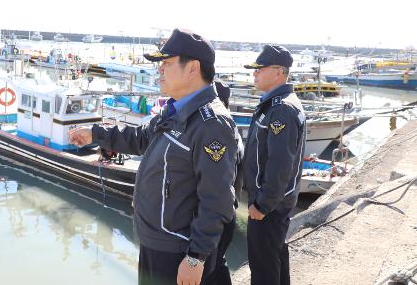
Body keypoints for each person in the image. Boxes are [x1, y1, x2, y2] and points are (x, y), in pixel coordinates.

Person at [69, 29, 239, 285]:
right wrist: (95, 134)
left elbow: (217, 201)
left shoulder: (211, 123)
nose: (159, 70)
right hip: (156, 242)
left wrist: (196, 258)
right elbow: (139, 138)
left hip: (177, 250)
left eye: (167, 63)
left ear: (192, 68)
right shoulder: (175, 110)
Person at [241, 45, 306, 285]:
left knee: (263, 268)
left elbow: (281, 163)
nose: (254, 74)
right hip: (273, 203)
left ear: (278, 72)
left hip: (269, 207)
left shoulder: (282, 109)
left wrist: (262, 204)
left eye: (260, 69)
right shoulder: (277, 104)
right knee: (275, 257)